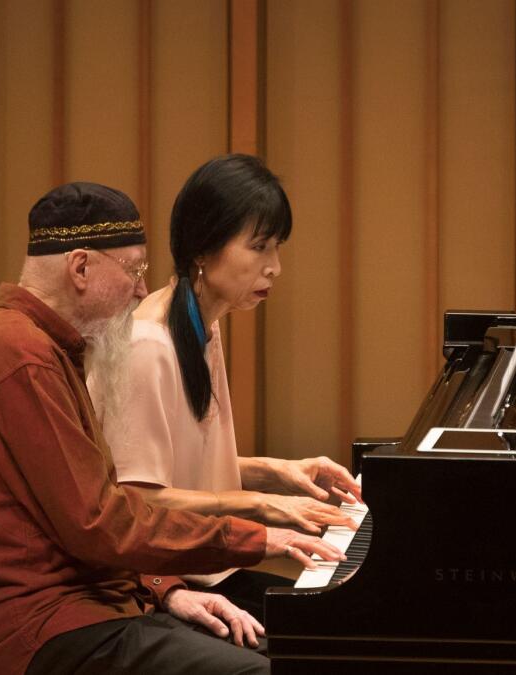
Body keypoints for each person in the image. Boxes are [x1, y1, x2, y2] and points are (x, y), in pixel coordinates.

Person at [0, 181, 341, 675]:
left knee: (280, 643)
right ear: (80, 268)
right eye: (134, 270)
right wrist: (257, 537)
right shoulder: (18, 358)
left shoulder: (41, 347)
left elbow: (92, 511)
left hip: (89, 602)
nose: (143, 288)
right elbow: (100, 522)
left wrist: (166, 589)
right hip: (31, 627)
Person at [87, 154, 362, 620]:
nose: (274, 267)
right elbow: (137, 500)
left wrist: (277, 470)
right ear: (202, 247)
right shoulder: (149, 345)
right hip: (155, 588)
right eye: (258, 247)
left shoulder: (201, 326)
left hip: (204, 567)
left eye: (277, 247)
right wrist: (260, 504)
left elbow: (177, 468)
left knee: (343, 622)